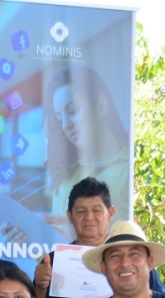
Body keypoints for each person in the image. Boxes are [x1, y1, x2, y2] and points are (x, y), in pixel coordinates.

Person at [31, 178, 165, 298]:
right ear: (70, 216)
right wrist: (40, 288)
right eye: (81, 211)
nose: (89, 217)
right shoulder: (53, 260)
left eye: (97, 210)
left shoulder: (132, 263)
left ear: (111, 213)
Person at [43, 67, 129, 224]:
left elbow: (126, 244)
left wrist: (77, 236)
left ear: (101, 106)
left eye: (73, 111)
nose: (66, 125)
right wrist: (26, 240)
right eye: (59, 118)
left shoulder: (128, 172)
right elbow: (54, 245)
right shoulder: (64, 180)